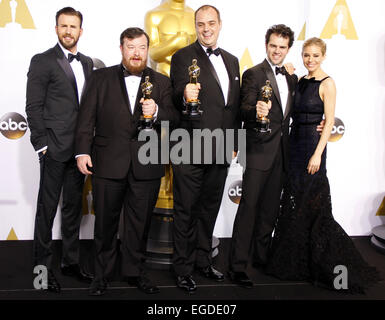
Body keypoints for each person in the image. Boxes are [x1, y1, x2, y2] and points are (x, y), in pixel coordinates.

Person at [265, 37, 382, 293]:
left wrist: (318, 154)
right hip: (294, 144)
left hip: (312, 147)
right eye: (307, 55)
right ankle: (297, 263)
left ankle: (325, 264)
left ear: (324, 56)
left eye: (316, 55)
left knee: (315, 206)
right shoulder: (301, 80)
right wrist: (288, 71)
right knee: (294, 202)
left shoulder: (328, 84)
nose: (310, 60)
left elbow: (329, 122)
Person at [75, 27, 177, 296]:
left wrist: (156, 112)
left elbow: (174, 121)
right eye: (131, 47)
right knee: (105, 223)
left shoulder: (162, 82)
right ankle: (102, 275)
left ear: (148, 50)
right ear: (121, 48)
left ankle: (135, 272)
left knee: (139, 224)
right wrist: (82, 151)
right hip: (107, 162)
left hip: (147, 164)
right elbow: (86, 118)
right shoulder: (100, 78)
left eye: (142, 47)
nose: (136, 53)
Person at [170, 4, 241, 293]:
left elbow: (233, 107)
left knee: (209, 209)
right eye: (201, 24)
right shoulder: (182, 56)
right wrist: (184, 95)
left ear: (220, 24)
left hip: (222, 147)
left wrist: (236, 143)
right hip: (189, 146)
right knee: (185, 210)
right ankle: (183, 269)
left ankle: (202, 260)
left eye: (211, 23)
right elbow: (175, 94)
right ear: (195, 26)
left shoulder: (233, 61)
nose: (206, 28)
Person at [25, 7, 94, 293]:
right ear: (56, 29)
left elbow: (88, 109)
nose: (68, 31)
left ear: (81, 30)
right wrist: (41, 145)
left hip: (78, 152)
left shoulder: (88, 63)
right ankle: (41, 273)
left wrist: (87, 146)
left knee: (71, 210)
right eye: (63, 26)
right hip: (53, 149)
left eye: (73, 26)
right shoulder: (42, 61)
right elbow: (33, 107)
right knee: (46, 211)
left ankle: (70, 262)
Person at [228, 24, 298, 288]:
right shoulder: (253, 74)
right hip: (257, 150)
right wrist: (255, 111)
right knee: (248, 209)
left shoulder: (291, 77)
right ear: (266, 45)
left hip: (282, 151)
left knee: (269, 211)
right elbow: (242, 109)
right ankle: (236, 266)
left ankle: (260, 258)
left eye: (282, 47)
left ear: (288, 48)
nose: (277, 51)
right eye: (273, 46)